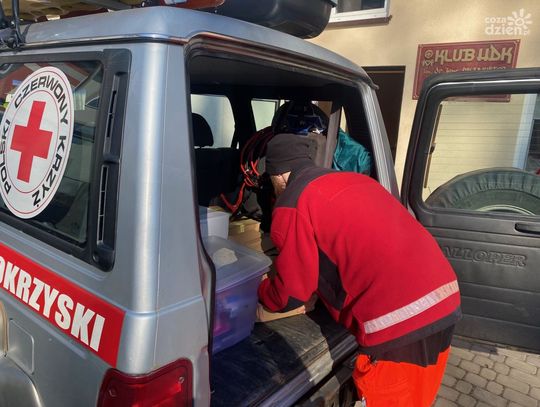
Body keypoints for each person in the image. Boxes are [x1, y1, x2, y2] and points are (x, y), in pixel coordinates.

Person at [257, 133, 461, 407]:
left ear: (278, 175)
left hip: (401, 323)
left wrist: (261, 290)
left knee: (391, 399)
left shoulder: (293, 202)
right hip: (444, 297)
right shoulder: (354, 180)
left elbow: (291, 293)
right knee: (419, 397)